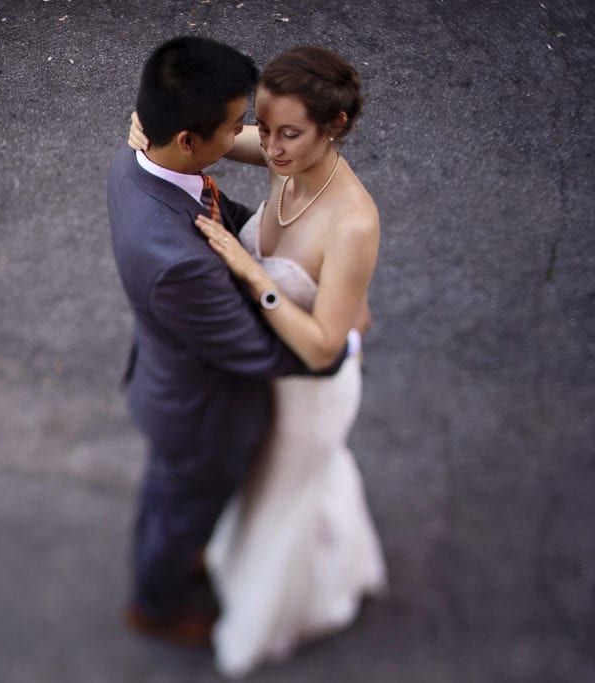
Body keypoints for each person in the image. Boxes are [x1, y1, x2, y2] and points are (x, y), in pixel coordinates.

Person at [128, 45, 387, 677]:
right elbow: (199, 141)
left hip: (309, 388)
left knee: (282, 492)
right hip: (262, 375)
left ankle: (284, 599)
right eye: (262, 128)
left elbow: (326, 348)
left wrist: (248, 270)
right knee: (244, 474)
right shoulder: (282, 152)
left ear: (336, 127)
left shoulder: (352, 222)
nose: (268, 148)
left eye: (287, 134)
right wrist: (146, 135)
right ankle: (216, 553)